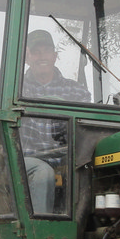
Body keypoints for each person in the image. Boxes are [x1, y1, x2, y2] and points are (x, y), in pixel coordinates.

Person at [19, 29, 89, 212]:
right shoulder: (17, 88)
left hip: (68, 161)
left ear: (55, 56)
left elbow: (85, 131)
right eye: (36, 52)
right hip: (28, 160)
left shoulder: (76, 91)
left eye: (46, 51)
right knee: (43, 173)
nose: (42, 56)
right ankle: (39, 230)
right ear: (27, 58)